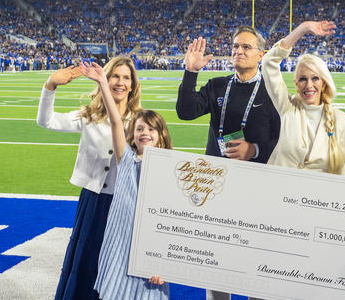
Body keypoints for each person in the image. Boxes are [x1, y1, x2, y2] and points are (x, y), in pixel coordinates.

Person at [176, 26, 280, 300]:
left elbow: (282, 142)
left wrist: (254, 149)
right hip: (217, 186)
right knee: (217, 261)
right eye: (235, 46)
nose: (238, 51)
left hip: (256, 190)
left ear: (261, 54)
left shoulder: (272, 92)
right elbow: (185, 112)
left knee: (255, 262)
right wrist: (191, 72)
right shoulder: (217, 85)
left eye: (246, 47)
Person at [37, 57, 142, 300]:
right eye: (115, 76)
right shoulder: (89, 115)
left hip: (125, 204)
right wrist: (50, 84)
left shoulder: (141, 121)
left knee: (118, 267)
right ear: (104, 78)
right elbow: (46, 121)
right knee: (86, 263)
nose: (120, 82)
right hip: (93, 202)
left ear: (133, 85)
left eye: (126, 77)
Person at [80, 61, 169, 300]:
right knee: (113, 292)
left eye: (151, 130)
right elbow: (117, 121)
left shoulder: (167, 169)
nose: (145, 134)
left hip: (149, 249)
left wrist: (162, 262)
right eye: (140, 129)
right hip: (119, 242)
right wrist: (102, 83)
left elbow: (170, 220)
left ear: (161, 136)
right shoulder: (126, 159)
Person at [262, 20, 345, 175]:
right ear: (296, 84)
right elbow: (268, 62)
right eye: (303, 79)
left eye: (315, 78)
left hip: (318, 198)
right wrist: (303, 29)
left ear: (324, 83)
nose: (309, 85)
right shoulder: (287, 107)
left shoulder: (344, 122)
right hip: (278, 193)